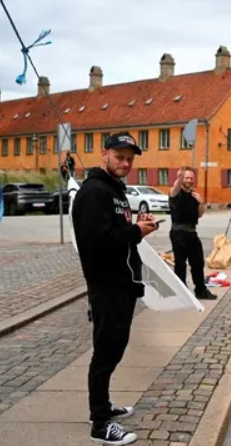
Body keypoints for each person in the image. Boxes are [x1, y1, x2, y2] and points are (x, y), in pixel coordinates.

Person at [72, 132, 158, 445]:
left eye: (129, 159)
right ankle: (99, 423)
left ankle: (104, 404)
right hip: (106, 285)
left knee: (115, 349)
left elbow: (115, 233)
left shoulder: (115, 191)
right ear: (104, 153)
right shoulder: (94, 192)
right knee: (105, 354)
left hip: (122, 283)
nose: (124, 163)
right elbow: (95, 244)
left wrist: (138, 228)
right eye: (119, 156)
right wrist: (135, 230)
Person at [169, 167, 216, 300]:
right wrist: (178, 178)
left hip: (192, 232)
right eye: (186, 177)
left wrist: (200, 202)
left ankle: (200, 290)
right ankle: (181, 292)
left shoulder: (193, 195)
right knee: (180, 264)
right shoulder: (176, 194)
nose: (189, 180)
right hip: (178, 232)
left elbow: (199, 214)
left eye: (191, 178)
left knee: (198, 262)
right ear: (181, 179)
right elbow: (174, 190)